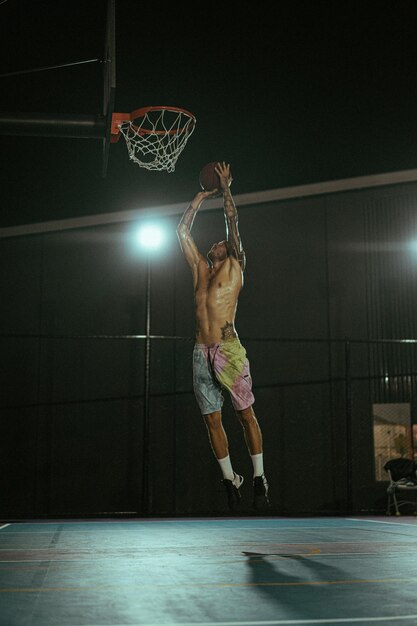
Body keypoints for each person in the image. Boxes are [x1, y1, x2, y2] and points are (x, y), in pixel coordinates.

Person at [176, 162, 270, 512]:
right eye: (214, 243)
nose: (215, 242)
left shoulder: (236, 265)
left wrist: (226, 187)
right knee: (210, 420)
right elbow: (181, 233)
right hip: (200, 351)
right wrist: (200, 197)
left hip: (228, 348)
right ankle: (230, 480)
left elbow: (232, 220)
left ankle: (259, 476)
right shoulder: (201, 269)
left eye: (221, 243)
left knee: (245, 415)